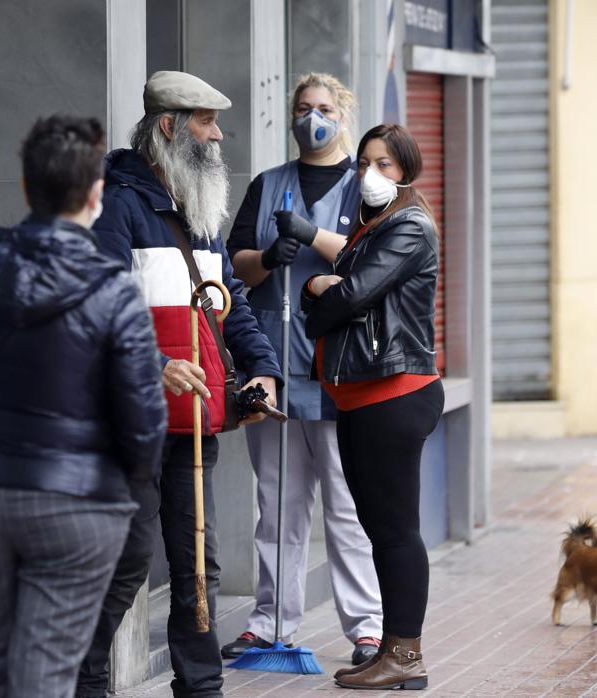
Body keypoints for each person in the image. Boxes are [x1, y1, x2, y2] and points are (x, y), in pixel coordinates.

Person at [0, 114, 167, 698]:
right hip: (80, 502)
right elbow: (144, 426)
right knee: (46, 672)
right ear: (96, 194)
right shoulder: (114, 292)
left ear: (27, 188)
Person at [76, 71, 282, 698]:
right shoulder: (115, 201)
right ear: (169, 126)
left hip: (192, 418)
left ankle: (201, 688)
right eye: (205, 122)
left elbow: (229, 302)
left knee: (198, 565)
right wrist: (154, 363)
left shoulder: (198, 204)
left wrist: (264, 369)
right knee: (125, 563)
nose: (218, 135)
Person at [221, 72, 383, 666]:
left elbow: (377, 261)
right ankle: (270, 621)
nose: (310, 117)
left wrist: (313, 238)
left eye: (322, 108)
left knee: (346, 505)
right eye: (301, 108)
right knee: (278, 504)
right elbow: (232, 267)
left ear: (342, 114)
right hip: (274, 369)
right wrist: (267, 258)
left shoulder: (365, 188)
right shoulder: (268, 186)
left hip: (339, 371)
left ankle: (368, 629)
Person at [301, 124, 443, 691]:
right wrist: (328, 293)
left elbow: (352, 295)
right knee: (378, 528)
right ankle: (390, 648)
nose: (372, 174)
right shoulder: (372, 226)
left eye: (385, 164)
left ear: (406, 172)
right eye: (364, 162)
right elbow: (346, 298)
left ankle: (407, 658)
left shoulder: (409, 225)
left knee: (395, 530)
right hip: (362, 394)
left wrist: (318, 289)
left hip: (395, 392)